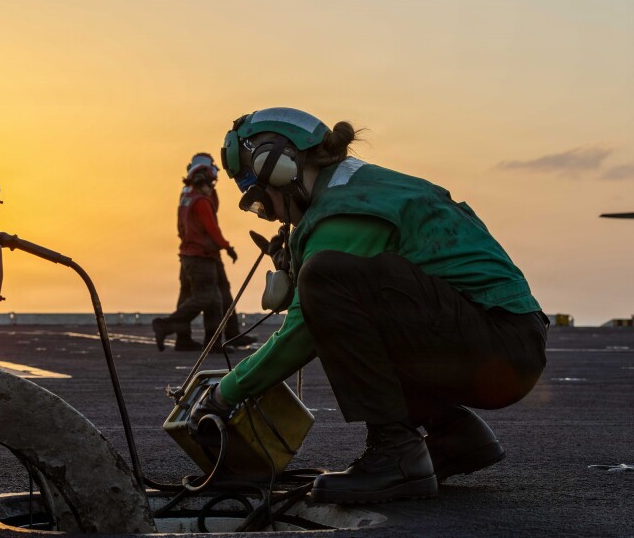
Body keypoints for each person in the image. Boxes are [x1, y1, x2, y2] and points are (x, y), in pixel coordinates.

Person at [188, 107, 548, 503]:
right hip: (500, 341)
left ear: (280, 168)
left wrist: (226, 393)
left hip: (500, 348)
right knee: (331, 287)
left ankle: (395, 453)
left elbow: (305, 326)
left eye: (261, 201)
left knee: (325, 277)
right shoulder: (358, 187)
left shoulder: (346, 208)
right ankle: (453, 435)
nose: (270, 216)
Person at [152, 156, 241, 352]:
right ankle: (165, 325)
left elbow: (181, 227)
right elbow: (212, 229)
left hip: (189, 255)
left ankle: (213, 343)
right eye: (210, 183)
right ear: (202, 182)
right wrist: (227, 247)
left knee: (215, 300)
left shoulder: (186, 199)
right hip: (202, 257)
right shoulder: (201, 202)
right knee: (204, 298)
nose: (212, 187)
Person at [173, 154, 258, 352]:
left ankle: (183, 336)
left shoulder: (186, 193)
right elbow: (211, 224)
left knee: (187, 293)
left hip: (190, 251)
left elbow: (181, 224)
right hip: (205, 252)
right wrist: (226, 246)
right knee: (219, 293)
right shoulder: (201, 195)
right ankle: (227, 335)